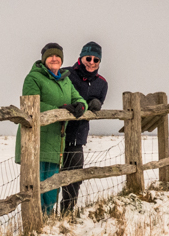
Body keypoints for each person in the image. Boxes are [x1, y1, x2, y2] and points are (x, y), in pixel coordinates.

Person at [15, 42, 87, 215]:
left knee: (52, 184)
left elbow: (78, 98)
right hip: (35, 141)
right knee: (36, 183)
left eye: (57, 56)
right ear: (44, 59)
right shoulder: (33, 78)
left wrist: (80, 106)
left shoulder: (65, 79)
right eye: (50, 56)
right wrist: (61, 109)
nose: (54, 59)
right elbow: (31, 105)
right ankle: (36, 220)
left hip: (56, 140)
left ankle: (47, 217)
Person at [60, 41, 108, 213]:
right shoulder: (65, 74)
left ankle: (67, 214)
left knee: (74, 179)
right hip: (56, 134)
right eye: (89, 58)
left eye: (96, 60)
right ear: (81, 57)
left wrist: (96, 104)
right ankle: (45, 216)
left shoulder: (101, 84)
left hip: (77, 138)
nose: (92, 62)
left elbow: (98, 103)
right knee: (49, 179)